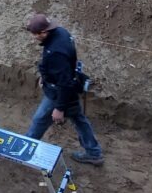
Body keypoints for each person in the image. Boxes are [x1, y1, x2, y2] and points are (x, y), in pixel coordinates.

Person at [24, 13, 103, 166]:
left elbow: (64, 82)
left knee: (40, 119)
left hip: (60, 92)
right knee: (79, 119)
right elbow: (62, 71)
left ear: (44, 32)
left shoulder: (55, 53)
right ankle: (94, 153)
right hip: (69, 85)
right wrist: (46, 76)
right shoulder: (61, 32)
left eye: (35, 34)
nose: (33, 38)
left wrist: (59, 108)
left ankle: (26, 146)